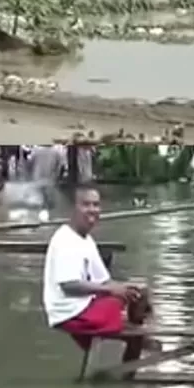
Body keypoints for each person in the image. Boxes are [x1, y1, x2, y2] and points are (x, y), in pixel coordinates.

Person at [43, 184, 156, 357]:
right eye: (86, 204)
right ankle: (137, 335)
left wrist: (127, 288)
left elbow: (104, 280)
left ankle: (136, 338)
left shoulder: (86, 240)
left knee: (139, 292)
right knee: (129, 321)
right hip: (71, 312)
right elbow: (69, 286)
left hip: (85, 305)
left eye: (96, 205)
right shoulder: (64, 240)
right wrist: (111, 290)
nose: (92, 210)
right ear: (73, 208)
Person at [29, 144, 64, 210]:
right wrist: (58, 175)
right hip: (51, 178)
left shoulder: (36, 150)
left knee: (41, 196)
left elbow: (30, 162)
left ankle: (43, 208)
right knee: (49, 198)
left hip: (38, 177)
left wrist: (31, 171)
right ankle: (48, 210)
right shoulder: (56, 152)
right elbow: (60, 165)